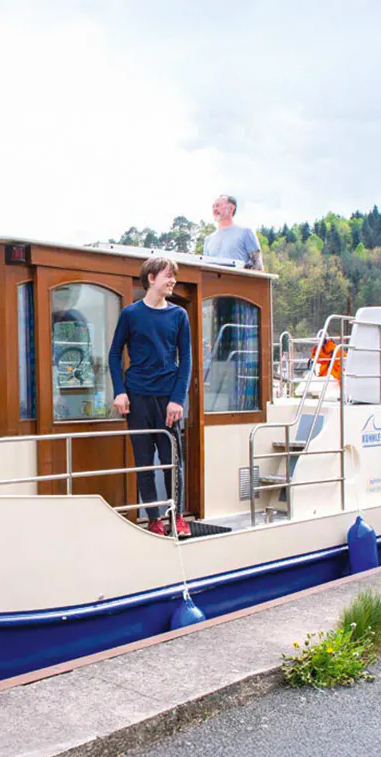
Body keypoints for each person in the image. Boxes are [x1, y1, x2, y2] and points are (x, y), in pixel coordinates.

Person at [109, 256, 192, 537]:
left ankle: (177, 517)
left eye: (174, 277)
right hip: (138, 398)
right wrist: (120, 391)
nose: (173, 281)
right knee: (144, 463)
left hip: (168, 399)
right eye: (169, 276)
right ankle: (154, 519)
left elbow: (187, 360)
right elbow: (113, 355)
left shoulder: (179, 315)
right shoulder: (131, 315)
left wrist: (177, 399)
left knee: (172, 462)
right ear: (151, 278)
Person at [204, 194, 263, 270]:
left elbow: (258, 265)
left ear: (231, 208)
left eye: (218, 205)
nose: (215, 209)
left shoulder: (245, 232)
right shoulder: (208, 240)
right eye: (213, 206)